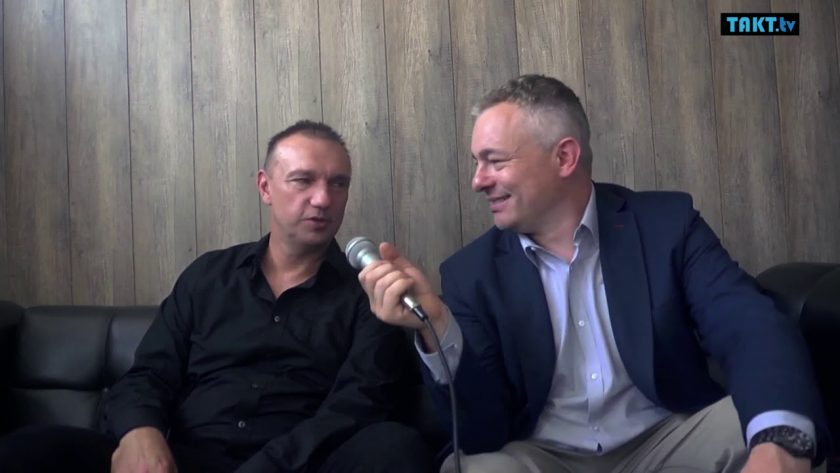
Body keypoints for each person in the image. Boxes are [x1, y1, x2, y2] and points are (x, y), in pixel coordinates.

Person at [358, 75, 828, 473]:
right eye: (476, 163)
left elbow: (748, 325)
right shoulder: (470, 274)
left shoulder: (666, 226)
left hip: (667, 438)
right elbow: (483, 430)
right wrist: (437, 329)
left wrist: (779, 444)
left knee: (779, 427)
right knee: (475, 468)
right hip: (544, 455)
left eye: (495, 161)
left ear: (564, 157)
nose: (478, 180)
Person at [0, 120, 432, 473]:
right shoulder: (209, 277)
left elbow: (358, 406)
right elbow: (148, 375)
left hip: (302, 464)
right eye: (303, 180)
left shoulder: (371, 292)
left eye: (338, 184)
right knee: (31, 449)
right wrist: (139, 433)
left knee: (394, 447)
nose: (323, 199)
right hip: (187, 460)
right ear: (265, 187)